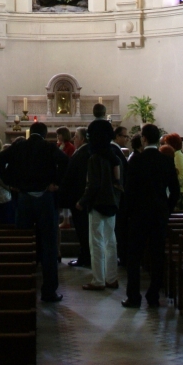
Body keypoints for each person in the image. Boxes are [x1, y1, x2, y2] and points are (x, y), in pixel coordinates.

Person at [0, 122, 68, 302]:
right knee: (49, 245)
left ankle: (21, 287)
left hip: (25, 198)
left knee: (23, 242)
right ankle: (49, 291)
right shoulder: (48, 147)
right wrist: (55, 183)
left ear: (30, 132)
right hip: (45, 199)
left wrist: (11, 182)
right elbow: (66, 161)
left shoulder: (19, 146)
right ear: (44, 134)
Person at [122, 124, 180, 309]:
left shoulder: (136, 161)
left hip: (139, 214)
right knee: (157, 255)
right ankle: (153, 295)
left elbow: (129, 191)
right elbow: (176, 191)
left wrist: (129, 213)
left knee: (134, 256)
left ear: (144, 139)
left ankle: (133, 297)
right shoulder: (166, 160)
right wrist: (167, 208)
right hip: (159, 214)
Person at [78, 118, 122, 290]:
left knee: (96, 242)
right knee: (111, 240)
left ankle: (98, 280)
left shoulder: (95, 157)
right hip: (112, 202)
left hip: (97, 203)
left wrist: (82, 201)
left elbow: (93, 184)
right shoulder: (114, 155)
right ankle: (112, 278)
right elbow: (119, 181)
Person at [62, 127, 91, 267]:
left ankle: (85, 258)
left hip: (79, 198)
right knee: (82, 230)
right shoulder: (85, 151)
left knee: (83, 230)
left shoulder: (83, 153)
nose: (74, 139)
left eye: (76, 136)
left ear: (83, 139)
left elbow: (74, 175)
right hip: (80, 197)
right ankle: (85, 256)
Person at [111, 126, 130, 266]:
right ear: (117, 136)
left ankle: (122, 256)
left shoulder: (115, 149)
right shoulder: (114, 149)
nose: (126, 139)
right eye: (124, 136)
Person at [163, 133, 183, 212]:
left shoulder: (178, 155)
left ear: (172, 144)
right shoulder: (175, 154)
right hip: (178, 190)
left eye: (167, 143)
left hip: (181, 192)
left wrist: (170, 180)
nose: (166, 145)